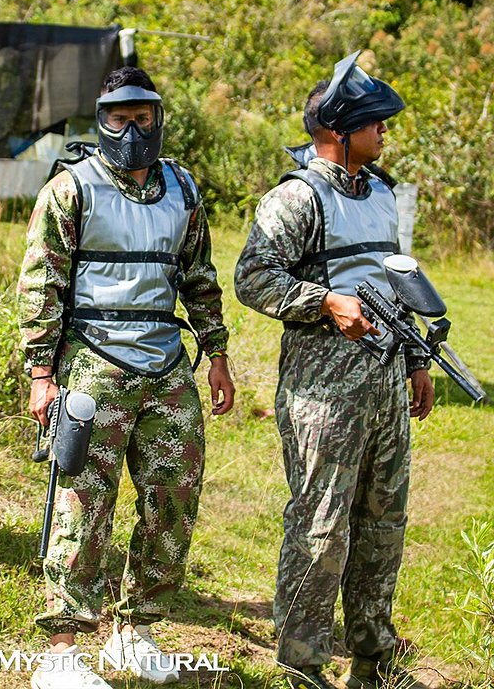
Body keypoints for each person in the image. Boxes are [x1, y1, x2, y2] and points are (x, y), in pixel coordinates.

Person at [18, 66, 235, 688]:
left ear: (158, 118)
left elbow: (198, 275)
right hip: (93, 357)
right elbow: (41, 284)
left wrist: (216, 353)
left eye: (143, 117)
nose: (131, 129)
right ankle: (61, 652)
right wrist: (41, 373)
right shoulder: (71, 189)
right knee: (82, 502)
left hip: (166, 363)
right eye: (119, 117)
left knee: (174, 497)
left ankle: (132, 630)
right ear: (101, 117)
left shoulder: (182, 188)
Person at [234, 51, 435, 689]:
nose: (385, 134)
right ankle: (302, 663)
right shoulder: (296, 198)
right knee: (321, 527)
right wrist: (323, 301)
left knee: (383, 523)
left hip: (383, 384)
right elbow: (253, 277)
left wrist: (415, 359)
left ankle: (373, 657)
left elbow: (392, 283)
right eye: (376, 123)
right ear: (339, 130)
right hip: (323, 392)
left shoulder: (381, 192)